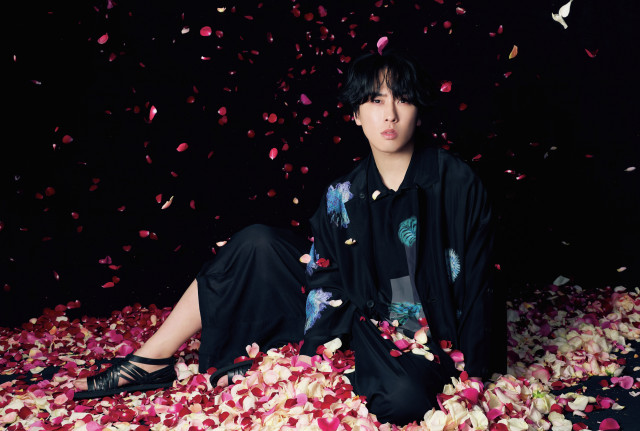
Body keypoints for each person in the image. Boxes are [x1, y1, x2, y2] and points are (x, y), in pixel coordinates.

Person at [73, 49, 503, 425]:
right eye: (375, 100)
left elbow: (479, 280)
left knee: (404, 398)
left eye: (402, 99)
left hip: (418, 331)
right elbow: (326, 276)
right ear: (356, 114)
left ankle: (349, 373)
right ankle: (150, 360)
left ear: (418, 111)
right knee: (257, 243)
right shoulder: (343, 192)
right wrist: (314, 356)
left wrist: (474, 373)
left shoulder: (456, 182)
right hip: (351, 315)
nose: (389, 114)